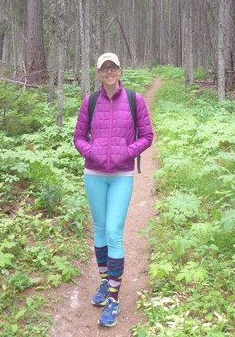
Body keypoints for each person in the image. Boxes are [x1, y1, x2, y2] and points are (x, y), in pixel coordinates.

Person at [73, 53, 154, 328]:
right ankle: (105, 282)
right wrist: (91, 151)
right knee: (98, 230)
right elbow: (78, 137)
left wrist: (126, 153)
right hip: (94, 175)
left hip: (121, 175)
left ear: (120, 70)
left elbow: (147, 136)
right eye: (104, 68)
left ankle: (113, 300)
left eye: (113, 67)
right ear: (98, 73)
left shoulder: (134, 100)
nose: (109, 72)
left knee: (113, 233)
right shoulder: (90, 102)